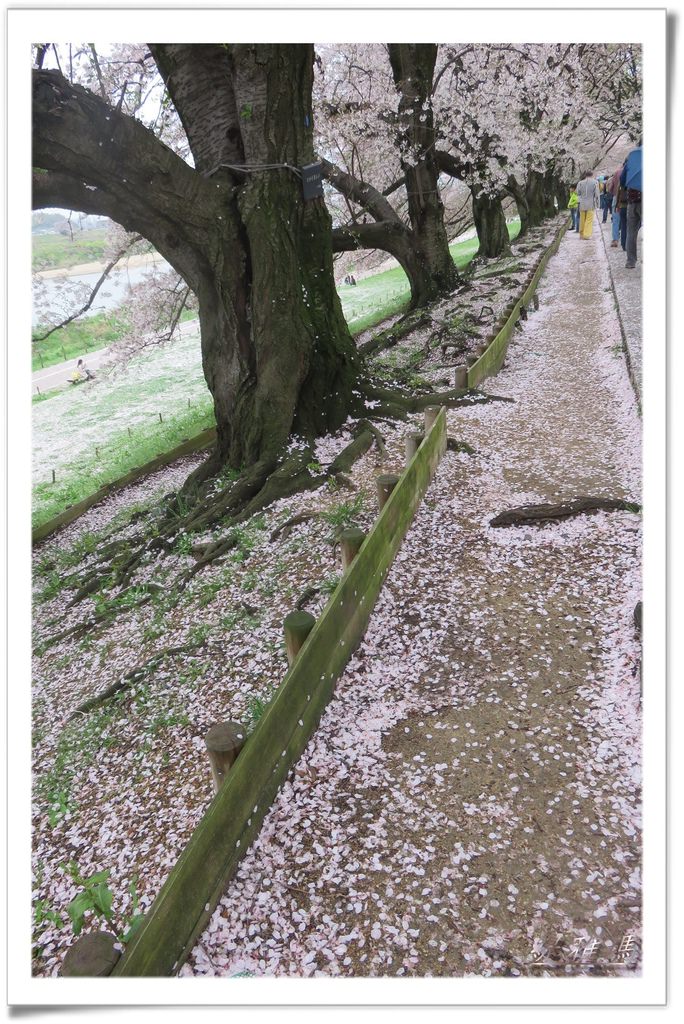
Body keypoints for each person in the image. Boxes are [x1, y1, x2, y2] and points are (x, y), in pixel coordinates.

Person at [622, 141, 642, 269]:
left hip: (632, 200)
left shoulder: (632, 156)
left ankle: (630, 261)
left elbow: (623, 178)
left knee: (631, 232)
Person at [576, 171, 597, 239]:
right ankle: (587, 234)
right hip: (590, 203)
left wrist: (578, 201)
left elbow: (577, 192)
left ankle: (581, 234)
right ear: (592, 175)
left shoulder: (580, 183)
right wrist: (598, 203)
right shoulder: (595, 182)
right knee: (589, 219)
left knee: (582, 219)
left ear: (585, 175)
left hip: (582, 203)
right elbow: (596, 194)